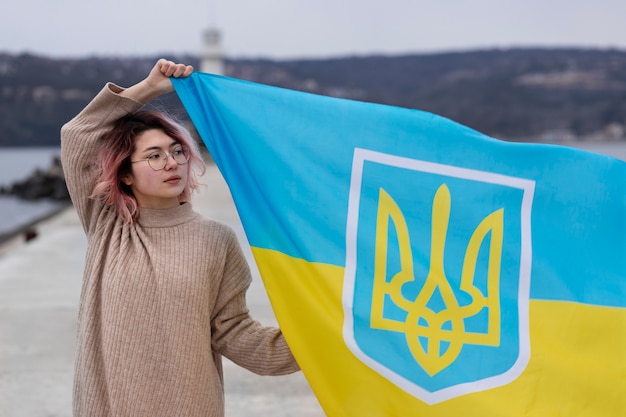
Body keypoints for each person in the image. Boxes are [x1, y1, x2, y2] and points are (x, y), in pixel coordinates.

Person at [60, 59, 299, 417]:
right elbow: (78, 134)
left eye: (177, 151)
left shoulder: (216, 240)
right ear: (125, 175)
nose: (171, 163)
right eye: (154, 156)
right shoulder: (108, 223)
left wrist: (321, 337)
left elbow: (234, 332)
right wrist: (150, 88)